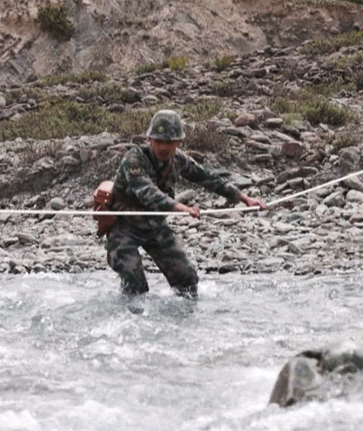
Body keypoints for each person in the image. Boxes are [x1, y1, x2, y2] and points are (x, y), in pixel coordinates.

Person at [105, 110, 266, 303]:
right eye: (158, 141)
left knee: (187, 281)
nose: (163, 147)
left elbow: (208, 178)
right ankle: (129, 314)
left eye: (169, 142)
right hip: (124, 227)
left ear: (179, 142)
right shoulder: (134, 160)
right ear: (149, 139)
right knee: (135, 285)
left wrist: (244, 198)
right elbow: (147, 193)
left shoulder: (179, 160)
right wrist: (181, 208)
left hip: (154, 226)